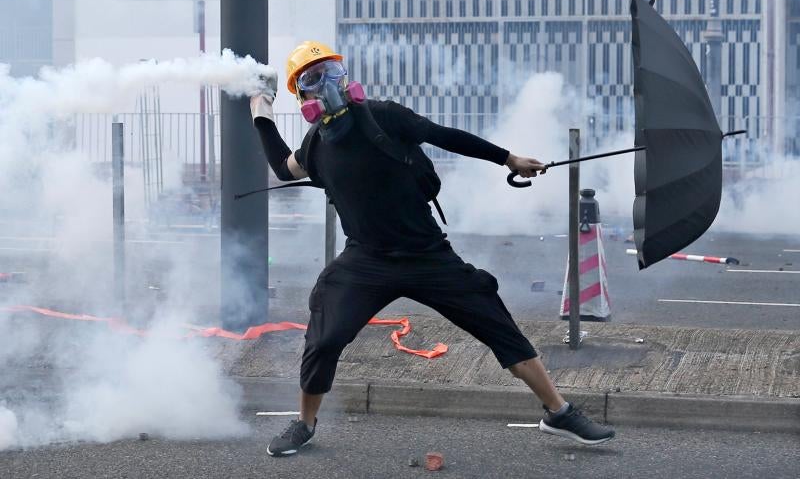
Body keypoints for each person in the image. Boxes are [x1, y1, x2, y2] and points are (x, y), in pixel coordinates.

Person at [250, 41, 615, 457]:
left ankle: (558, 413)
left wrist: (508, 158)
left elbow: (443, 136)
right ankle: (305, 423)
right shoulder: (316, 145)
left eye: (333, 71)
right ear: (303, 96)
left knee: (497, 324)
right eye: (315, 78)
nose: (329, 83)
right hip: (366, 259)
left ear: (345, 76)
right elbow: (284, 167)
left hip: (427, 255)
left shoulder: (385, 115)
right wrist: (261, 106)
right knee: (325, 338)